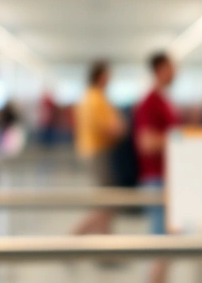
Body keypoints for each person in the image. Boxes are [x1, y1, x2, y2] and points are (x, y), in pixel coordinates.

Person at [133, 52, 180, 283]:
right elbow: (146, 143)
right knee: (160, 246)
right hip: (156, 179)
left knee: (166, 246)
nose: (175, 72)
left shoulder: (163, 100)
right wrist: (177, 139)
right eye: (171, 67)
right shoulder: (150, 101)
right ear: (160, 69)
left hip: (167, 178)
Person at [72, 60, 127, 235]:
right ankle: (73, 238)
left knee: (107, 202)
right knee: (106, 203)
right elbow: (111, 129)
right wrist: (122, 128)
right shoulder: (96, 99)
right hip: (99, 153)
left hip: (94, 152)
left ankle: (105, 247)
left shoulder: (90, 97)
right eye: (108, 74)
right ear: (101, 76)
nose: (111, 78)